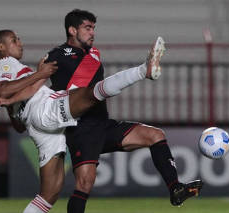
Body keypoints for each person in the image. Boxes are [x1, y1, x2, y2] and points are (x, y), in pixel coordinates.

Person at [45, 9, 203, 213]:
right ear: (72, 30)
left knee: (155, 135)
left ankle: (175, 189)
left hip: (102, 124)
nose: (92, 32)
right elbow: (57, 86)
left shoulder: (93, 54)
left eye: (93, 28)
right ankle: (141, 70)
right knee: (85, 184)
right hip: (80, 129)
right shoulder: (57, 55)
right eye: (87, 28)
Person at [0, 29, 165, 213]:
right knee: (90, 94)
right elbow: (4, 90)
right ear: (0, 46)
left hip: (38, 127)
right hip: (43, 111)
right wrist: (40, 74)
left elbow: (17, 126)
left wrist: (21, 95)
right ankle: (143, 70)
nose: (20, 43)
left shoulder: (15, 71)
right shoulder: (5, 63)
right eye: (14, 40)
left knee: (48, 195)